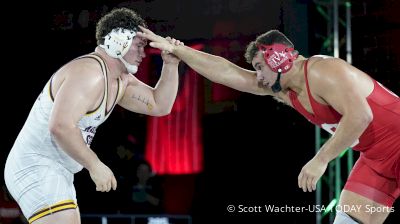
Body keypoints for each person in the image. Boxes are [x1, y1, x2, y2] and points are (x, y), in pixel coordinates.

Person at [138, 27, 400, 224]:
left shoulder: (323, 71)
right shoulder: (287, 91)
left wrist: (320, 160)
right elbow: (228, 73)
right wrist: (180, 51)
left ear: (279, 58)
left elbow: (360, 117)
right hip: (376, 159)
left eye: (260, 67)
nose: (259, 77)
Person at [4, 8, 183, 224]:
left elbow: (159, 105)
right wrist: (94, 164)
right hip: (36, 164)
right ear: (118, 41)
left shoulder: (119, 80)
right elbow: (60, 126)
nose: (143, 54)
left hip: (56, 168)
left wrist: (171, 66)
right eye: (138, 45)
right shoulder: (90, 73)